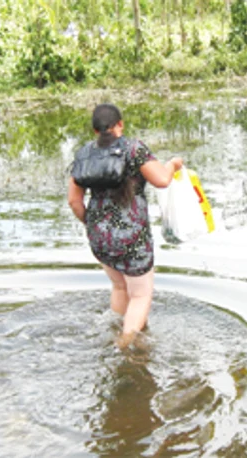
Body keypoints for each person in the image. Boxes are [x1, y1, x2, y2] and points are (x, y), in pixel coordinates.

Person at [67, 103, 183, 348]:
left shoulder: (83, 154)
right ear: (120, 124)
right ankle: (125, 345)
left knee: (120, 286)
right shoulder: (133, 149)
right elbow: (162, 180)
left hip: (99, 236)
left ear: (95, 130)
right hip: (132, 236)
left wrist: (92, 224)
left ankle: (118, 331)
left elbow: (74, 201)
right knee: (140, 295)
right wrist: (173, 164)